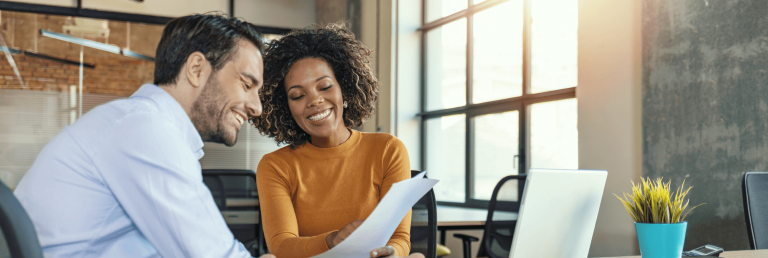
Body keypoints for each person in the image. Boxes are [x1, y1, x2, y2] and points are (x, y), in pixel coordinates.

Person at [14, 13, 275, 258]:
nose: (257, 107)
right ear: (196, 69)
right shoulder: (146, 131)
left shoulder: (138, 124)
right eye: (246, 84)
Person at [253, 23, 424, 258]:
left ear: (344, 89)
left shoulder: (388, 150)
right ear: (286, 108)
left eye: (324, 86)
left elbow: (399, 238)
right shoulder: (275, 166)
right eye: (298, 95)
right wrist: (332, 240)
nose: (315, 101)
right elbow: (281, 246)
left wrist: (392, 252)